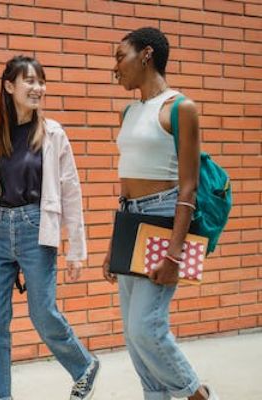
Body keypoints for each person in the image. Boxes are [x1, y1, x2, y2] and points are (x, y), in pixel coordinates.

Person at [0, 55, 99, 400]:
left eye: (40, 81)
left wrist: (76, 250)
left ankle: (84, 365)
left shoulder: (53, 134)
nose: (37, 88)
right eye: (29, 81)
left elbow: (71, 192)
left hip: (35, 229)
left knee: (43, 313)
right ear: (9, 86)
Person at [104, 27, 220, 400]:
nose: (115, 67)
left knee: (146, 328)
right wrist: (114, 244)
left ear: (147, 55)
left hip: (163, 219)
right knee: (132, 334)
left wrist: (174, 255)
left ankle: (198, 395)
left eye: (120, 57)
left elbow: (189, 187)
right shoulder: (128, 111)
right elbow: (126, 186)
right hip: (130, 219)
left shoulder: (180, 108)